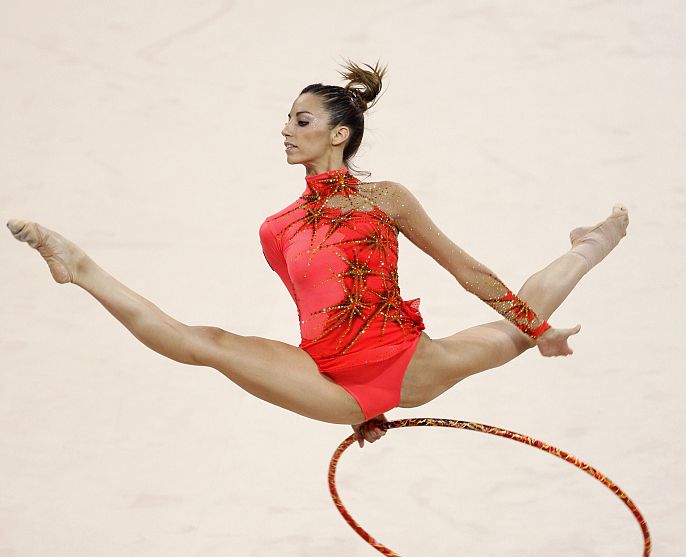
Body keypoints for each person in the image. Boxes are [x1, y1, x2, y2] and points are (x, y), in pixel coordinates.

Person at [7, 58, 628, 450]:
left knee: (512, 333)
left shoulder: (384, 199)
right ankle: (80, 266)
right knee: (208, 344)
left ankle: (589, 246)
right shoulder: (276, 228)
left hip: (405, 363)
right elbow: (311, 309)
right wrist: (359, 407)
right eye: (286, 119)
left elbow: (466, 270)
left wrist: (539, 330)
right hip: (329, 378)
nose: (285, 130)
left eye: (300, 120)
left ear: (339, 133)